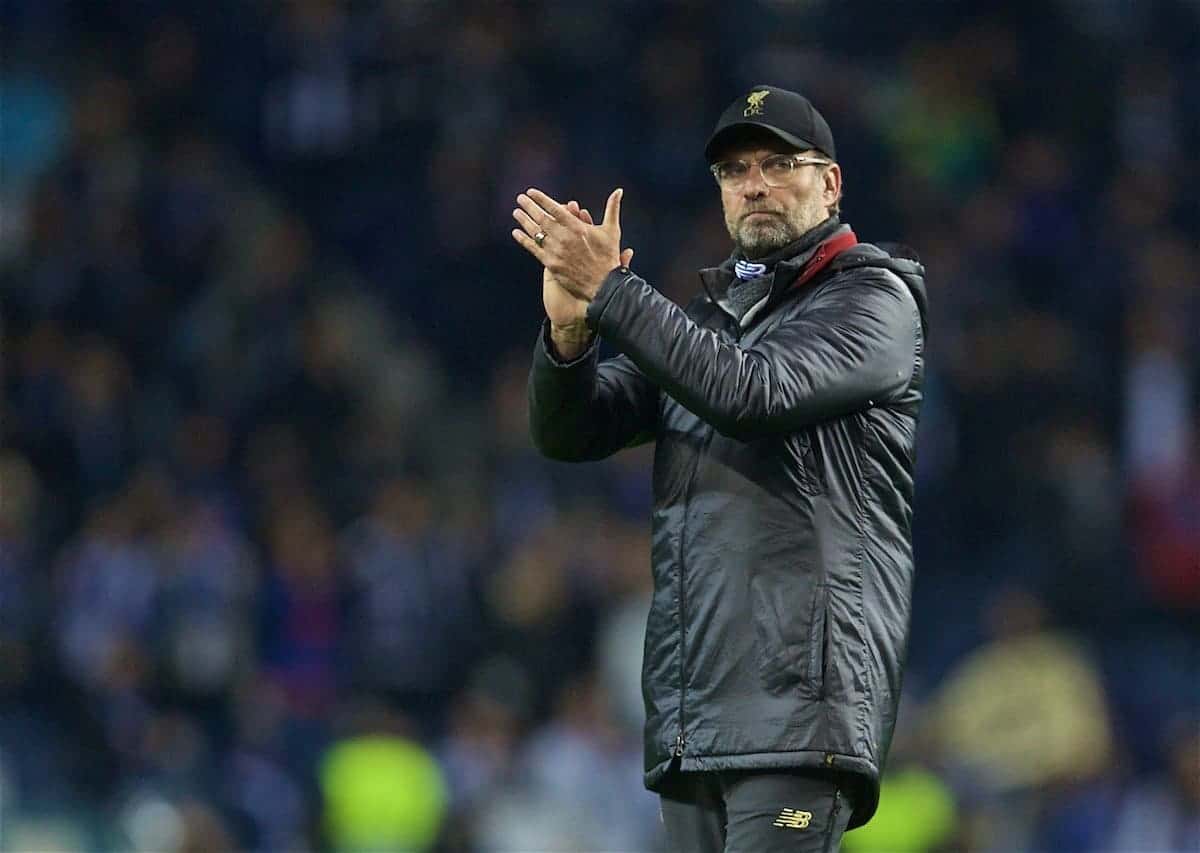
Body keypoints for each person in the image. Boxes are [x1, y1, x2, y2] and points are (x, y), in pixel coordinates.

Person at [513, 84, 928, 852]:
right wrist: (570, 335)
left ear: (830, 183)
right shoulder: (709, 323)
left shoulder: (875, 299)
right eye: (736, 172)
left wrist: (612, 290)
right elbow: (574, 433)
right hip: (695, 714)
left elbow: (752, 391)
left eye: (778, 163)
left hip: (801, 713)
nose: (755, 184)